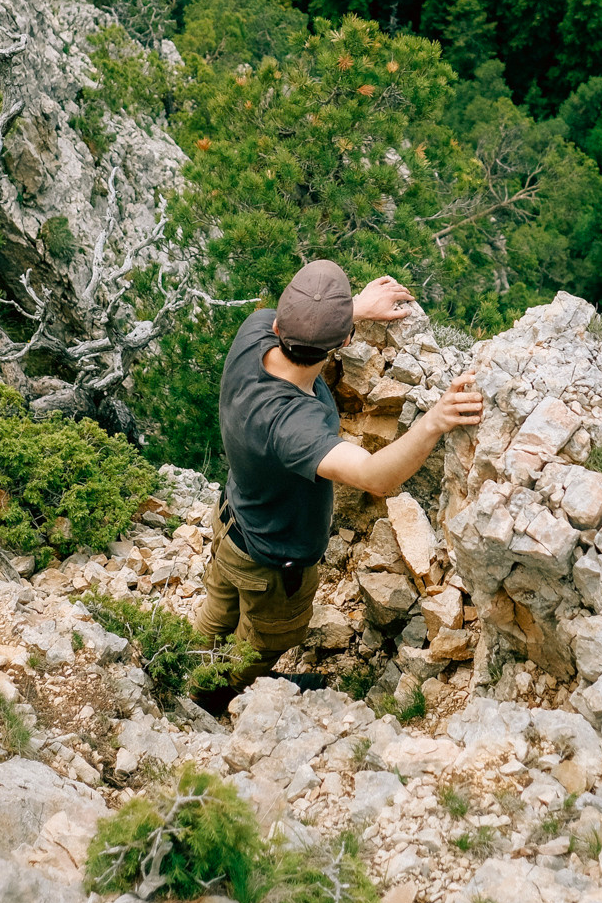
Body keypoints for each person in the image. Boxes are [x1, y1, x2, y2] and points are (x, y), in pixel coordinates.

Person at [190, 260, 483, 712]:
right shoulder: (293, 427)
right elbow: (376, 476)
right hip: (273, 562)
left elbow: (301, 322)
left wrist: (356, 308)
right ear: (344, 343)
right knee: (265, 640)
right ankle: (219, 695)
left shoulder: (253, 333)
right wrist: (434, 421)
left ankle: (187, 664)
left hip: (231, 523)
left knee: (219, 608)